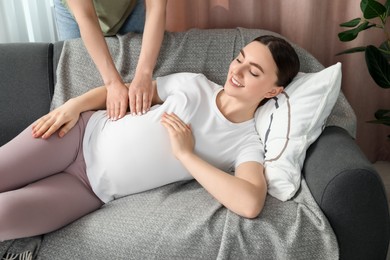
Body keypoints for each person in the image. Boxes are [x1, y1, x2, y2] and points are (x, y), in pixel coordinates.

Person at [0, 35, 300, 241]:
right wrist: (73, 105)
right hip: (77, 134)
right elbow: (125, 91)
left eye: (254, 72)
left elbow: (249, 203)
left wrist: (186, 155)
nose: (237, 70)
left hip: (87, 190)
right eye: (240, 58)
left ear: (273, 91)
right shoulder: (193, 84)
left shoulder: (246, 142)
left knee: (5, 216)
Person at [53, 0, 167, 118]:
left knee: (136, 81)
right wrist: (112, 83)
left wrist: (144, 73)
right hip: (79, 12)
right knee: (79, 83)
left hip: (127, 7)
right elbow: (86, 16)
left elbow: (156, 7)